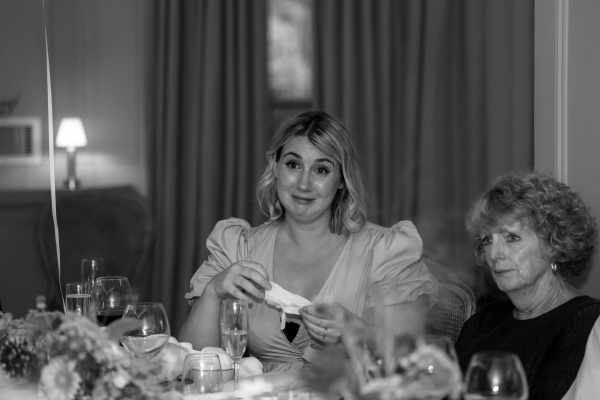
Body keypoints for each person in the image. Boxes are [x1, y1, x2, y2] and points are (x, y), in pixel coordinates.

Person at [179, 110, 438, 373]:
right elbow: (192, 365)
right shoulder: (238, 247)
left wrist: (354, 331)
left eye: (321, 170)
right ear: (276, 168)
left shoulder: (387, 251)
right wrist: (213, 292)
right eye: (293, 165)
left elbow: (409, 367)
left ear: (341, 180)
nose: (304, 184)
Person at [455, 170, 600, 400]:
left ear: (554, 244)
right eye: (487, 240)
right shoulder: (482, 322)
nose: (494, 254)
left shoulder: (588, 324)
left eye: (511, 237)